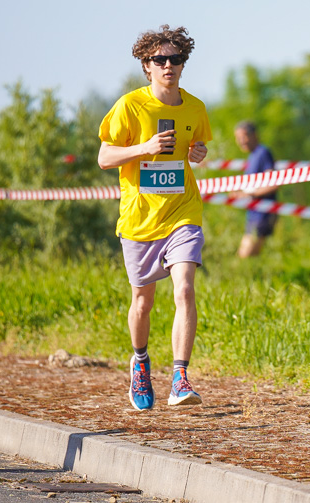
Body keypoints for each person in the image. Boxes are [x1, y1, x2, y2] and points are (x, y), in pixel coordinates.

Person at [97, 25, 212, 411]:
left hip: (183, 210)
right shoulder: (131, 105)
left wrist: (198, 153)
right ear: (146, 66)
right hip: (140, 219)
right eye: (159, 60)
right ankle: (141, 363)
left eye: (175, 59)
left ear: (183, 64)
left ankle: (180, 377)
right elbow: (104, 158)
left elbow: (198, 147)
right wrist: (143, 147)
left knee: (184, 288)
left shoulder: (195, 108)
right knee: (143, 302)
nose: (168, 65)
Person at [229, 120, 279, 258]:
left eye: (243, 137)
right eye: (237, 138)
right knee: (251, 256)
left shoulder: (263, 153)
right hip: (253, 214)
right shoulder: (253, 156)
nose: (240, 141)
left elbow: (273, 183)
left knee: (246, 255)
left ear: (254, 135)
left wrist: (248, 194)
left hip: (263, 214)